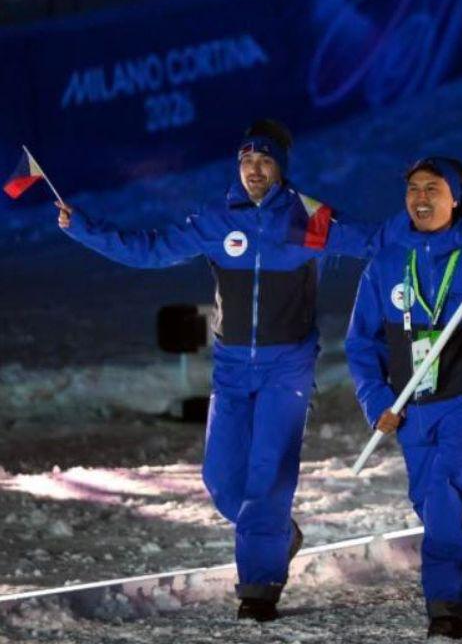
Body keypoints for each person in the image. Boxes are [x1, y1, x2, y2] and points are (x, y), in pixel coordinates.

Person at [57, 119, 381, 622]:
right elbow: (147, 250)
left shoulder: (307, 218)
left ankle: (259, 587)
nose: (254, 170)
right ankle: (277, 535)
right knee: (222, 481)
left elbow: (374, 241)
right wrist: (81, 226)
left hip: (287, 367)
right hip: (231, 368)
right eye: (246, 161)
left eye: (265, 161)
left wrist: (440, 241)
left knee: (268, 478)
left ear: (280, 167)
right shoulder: (215, 219)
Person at [345, 156, 462, 639]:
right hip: (409, 404)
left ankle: (446, 606)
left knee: (447, 490)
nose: (420, 198)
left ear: (455, 198)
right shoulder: (386, 262)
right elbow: (361, 343)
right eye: (412, 189)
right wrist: (375, 400)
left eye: (432, 188)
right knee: (428, 500)